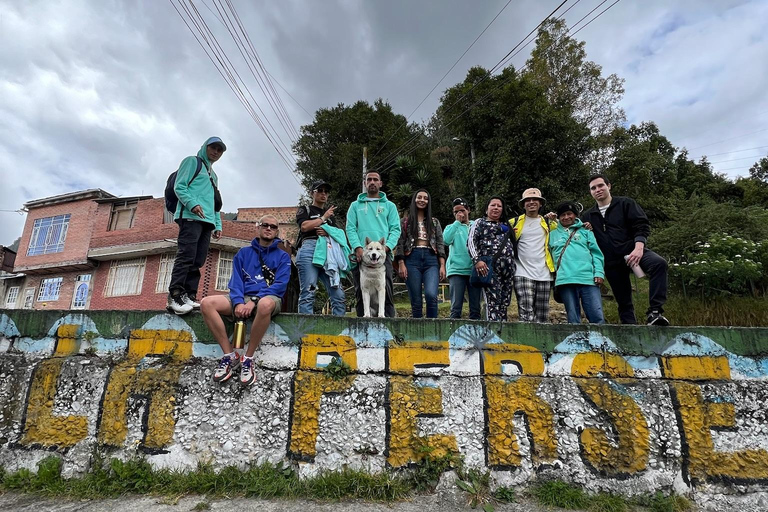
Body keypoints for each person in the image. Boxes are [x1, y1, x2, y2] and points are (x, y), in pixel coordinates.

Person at [200, 215, 291, 386]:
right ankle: (230, 356)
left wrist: (254, 301)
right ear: (258, 227)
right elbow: (236, 282)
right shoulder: (243, 253)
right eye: (265, 225)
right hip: (243, 298)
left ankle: (248, 359)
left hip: (268, 297)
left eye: (273, 226)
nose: (269, 228)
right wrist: (238, 302)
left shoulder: (283, 256)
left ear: (277, 231)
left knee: (265, 304)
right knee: (206, 303)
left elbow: (280, 285)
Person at [582, 175, 669, 325]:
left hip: (633, 251)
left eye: (600, 185)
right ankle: (631, 333)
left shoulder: (626, 204)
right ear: (590, 192)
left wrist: (639, 247)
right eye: (593, 188)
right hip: (610, 262)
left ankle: (655, 312)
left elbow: (641, 225)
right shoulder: (588, 216)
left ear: (609, 186)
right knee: (624, 302)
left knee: (659, 264)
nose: (598, 190)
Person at [167, 137, 225, 315]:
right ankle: (175, 296)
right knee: (186, 255)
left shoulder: (213, 175)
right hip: (190, 216)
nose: (215, 152)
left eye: (219, 150)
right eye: (213, 148)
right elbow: (180, 186)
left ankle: (189, 296)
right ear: (204, 147)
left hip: (207, 221)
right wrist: (192, 204)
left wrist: (217, 224)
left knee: (198, 260)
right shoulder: (192, 162)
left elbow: (214, 203)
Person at [346, 171, 401, 318]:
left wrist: (386, 247)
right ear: (365, 183)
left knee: (387, 291)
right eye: (369, 179)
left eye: (375, 179)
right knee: (360, 292)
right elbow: (350, 228)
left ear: (380, 183)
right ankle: (361, 329)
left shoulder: (390, 206)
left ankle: (389, 328)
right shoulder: (354, 206)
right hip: (361, 256)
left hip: (384, 256)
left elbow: (395, 229)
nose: (372, 182)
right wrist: (358, 247)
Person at [295, 180, 347, 316]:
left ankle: (339, 330)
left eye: (326, 191)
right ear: (313, 193)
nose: (323, 194)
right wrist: (323, 218)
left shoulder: (331, 216)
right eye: (320, 190)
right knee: (308, 291)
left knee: (338, 293)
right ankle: (304, 333)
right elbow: (304, 227)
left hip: (328, 252)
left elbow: (337, 234)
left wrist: (327, 231)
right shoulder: (305, 209)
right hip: (309, 249)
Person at [550, 201, 606, 324]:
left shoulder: (586, 231)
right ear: (558, 217)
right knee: (573, 319)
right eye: (562, 215)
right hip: (565, 279)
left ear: (575, 215)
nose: (566, 217)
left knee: (597, 316)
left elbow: (596, 254)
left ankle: (600, 343)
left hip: (588, 278)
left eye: (569, 214)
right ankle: (575, 343)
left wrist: (599, 273)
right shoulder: (552, 234)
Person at [395, 189, 446, 318]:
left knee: (431, 295)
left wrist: (442, 265)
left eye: (425, 198)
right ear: (414, 199)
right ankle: (417, 333)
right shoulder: (405, 221)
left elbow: (440, 244)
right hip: (411, 259)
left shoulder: (434, 222)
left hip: (431, 259)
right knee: (416, 300)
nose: (422, 200)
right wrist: (401, 263)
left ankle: (433, 331)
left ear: (428, 202)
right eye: (419, 197)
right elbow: (400, 242)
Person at [510, 188, 558, 323]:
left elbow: (565, 232)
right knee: (526, 313)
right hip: (521, 271)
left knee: (542, 316)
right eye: (527, 200)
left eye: (535, 199)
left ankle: (540, 344)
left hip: (544, 272)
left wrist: (585, 226)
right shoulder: (513, 223)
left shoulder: (549, 223)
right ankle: (525, 342)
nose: (531, 202)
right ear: (523, 204)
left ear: (540, 203)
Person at [468, 196, 516, 322]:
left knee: (504, 303)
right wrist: (477, 260)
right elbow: (471, 241)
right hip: (489, 267)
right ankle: (493, 335)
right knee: (492, 301)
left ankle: (503, 332)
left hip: (508, 269)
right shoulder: (480, 222)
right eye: (493, 205)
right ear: (486, 209)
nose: (496, 208)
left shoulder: (507, 225)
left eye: (499, 206)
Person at [443, 197, 481, 319]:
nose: (460, 214)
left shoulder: (476, 225)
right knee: (455, 307)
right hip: (456, 270)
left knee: (475, 308)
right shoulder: (451, 227)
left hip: (474, 270)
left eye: (462, 210)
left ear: (468, 210)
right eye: (456, 212)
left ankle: (476, 336)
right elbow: (446, 240)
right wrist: (457, 223)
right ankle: (452, 334)